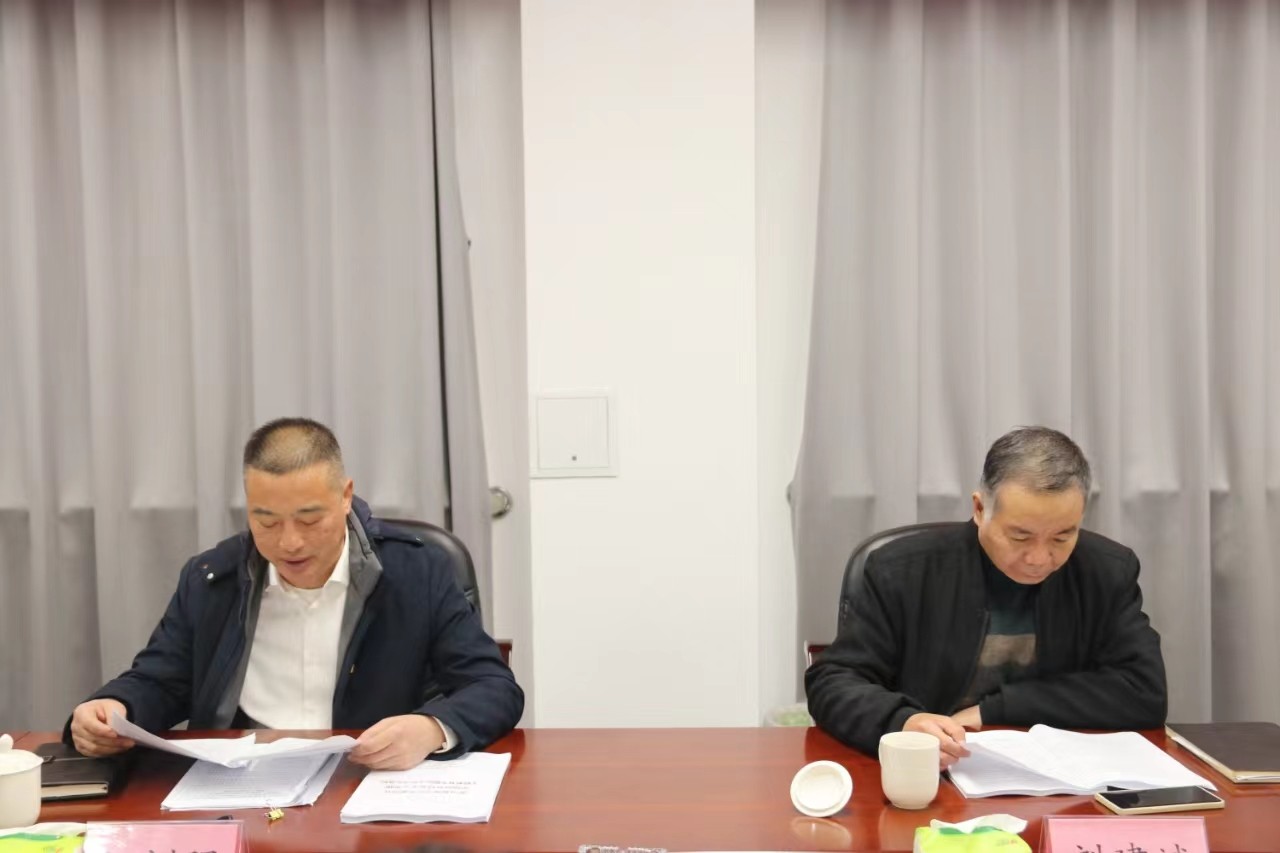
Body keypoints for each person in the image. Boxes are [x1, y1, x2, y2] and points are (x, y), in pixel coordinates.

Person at [67, 417, 523, 770]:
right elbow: (160, 681)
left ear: (345, 496)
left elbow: (493, 687)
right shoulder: (212, 579)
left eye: (309, 520)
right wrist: (115, 707)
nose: (289, 543)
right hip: (241, 790)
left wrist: (430, 729)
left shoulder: (416, 572)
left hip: (366, 782)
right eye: (266, 521)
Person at [805, 426, 1167, 768]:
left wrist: (997, 709)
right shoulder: (902, 571)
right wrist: (902, 721)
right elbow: (833, 681)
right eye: (1020, 537)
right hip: (933, 772)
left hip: (1057, 779)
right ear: (979, 509)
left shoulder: (1105, 572)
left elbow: (1144, 692)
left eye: (1062, 537)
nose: (1039, 558)